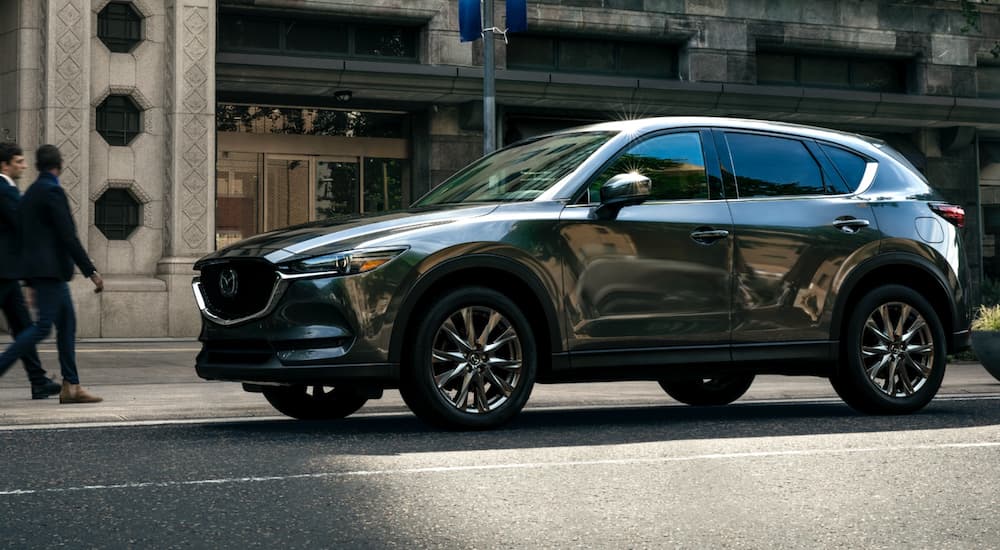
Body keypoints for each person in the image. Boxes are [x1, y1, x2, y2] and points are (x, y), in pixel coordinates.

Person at [0, 144, 103, 403]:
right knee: (43, 327)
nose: (22, 165)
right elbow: (68, 235)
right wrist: (90, 271)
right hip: (51, 273)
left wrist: (29, 280)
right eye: (18, 161)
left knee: (67, 324)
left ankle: (71, 385)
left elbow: (25, 237)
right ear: (59, 165)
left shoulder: (32, 193)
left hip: (43, 274)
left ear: (38, 166)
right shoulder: (52, 191)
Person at [0, 142, 62, 399]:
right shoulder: (4, 190)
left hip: (9, 274)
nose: (24, 166)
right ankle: (38, 380)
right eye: (18, 162)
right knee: (26, 326)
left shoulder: (8, 189)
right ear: (4, 165)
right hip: (2, 273)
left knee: (24, 325)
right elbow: (22, 226)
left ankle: (38, 381)